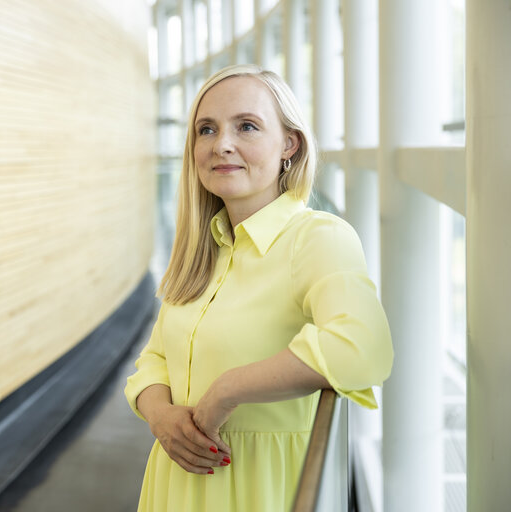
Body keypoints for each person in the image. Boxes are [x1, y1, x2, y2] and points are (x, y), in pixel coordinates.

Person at [124, 64, 394, 512]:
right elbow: (154, 359)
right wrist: (161, 416)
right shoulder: (202, 250)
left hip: (262, 491)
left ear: (290, 144)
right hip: (174, 484)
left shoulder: (317, 238)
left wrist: (228, 389)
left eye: (246, 126)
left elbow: (363, 346)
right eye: (206, 130)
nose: (221, 144)